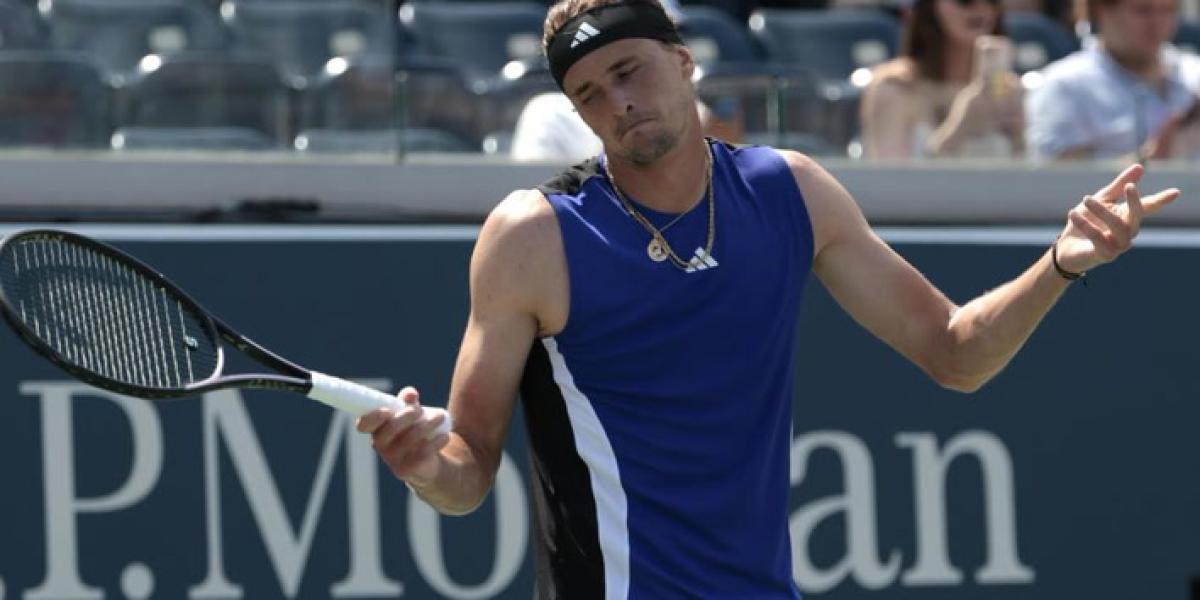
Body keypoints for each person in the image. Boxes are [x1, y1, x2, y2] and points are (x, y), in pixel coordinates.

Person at [356, 0, 1179, 596]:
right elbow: (466, 474)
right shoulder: (531, 236)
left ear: (683, 62)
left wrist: (1060, 264)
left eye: (628, 71)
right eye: (589, 95)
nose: (616, 104)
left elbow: (956, 354)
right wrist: (425, 463)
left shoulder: (791, 192)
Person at [1026, 0, 1200, 162]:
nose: (1158, 23)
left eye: (1168, 11)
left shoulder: (1194, 73)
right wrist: (1151, 159)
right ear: (1101, 11)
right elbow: (1055, 178)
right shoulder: (1064, 86)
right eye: (1143, 11)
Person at [860, 0, 1026, 159]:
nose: (980, 7)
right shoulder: (894, 87)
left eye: (992, 0)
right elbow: (890, 182)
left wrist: (1018, 135)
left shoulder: (1007, 88)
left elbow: (1028, 175)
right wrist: (959, 130)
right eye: (964, 0)